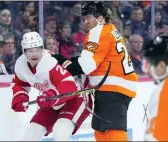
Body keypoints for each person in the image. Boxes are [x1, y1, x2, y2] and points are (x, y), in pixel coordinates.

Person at [55, 1, 138, 141]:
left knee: (113, 132)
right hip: (113, 88)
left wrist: (63, 64)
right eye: (84, 18)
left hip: (113, 89)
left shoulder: (98, 31)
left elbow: (86, 66)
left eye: (89, 17)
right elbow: (94, 59)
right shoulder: (110, 30)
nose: (85, 21)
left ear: (100, 18)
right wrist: (67, 61)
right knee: (101, 131)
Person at [11, 31, 92, 141]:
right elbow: (19, 83)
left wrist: (51, 96)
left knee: (60, 131)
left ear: (42, 49)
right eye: (30, 51)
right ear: (24, 52)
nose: (34, 54)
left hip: (76, 96)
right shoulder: (21, 65)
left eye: (37, 50)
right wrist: (20, 97)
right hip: (52, 99)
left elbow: (69, 85)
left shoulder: (49, 62)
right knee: (32, 132)